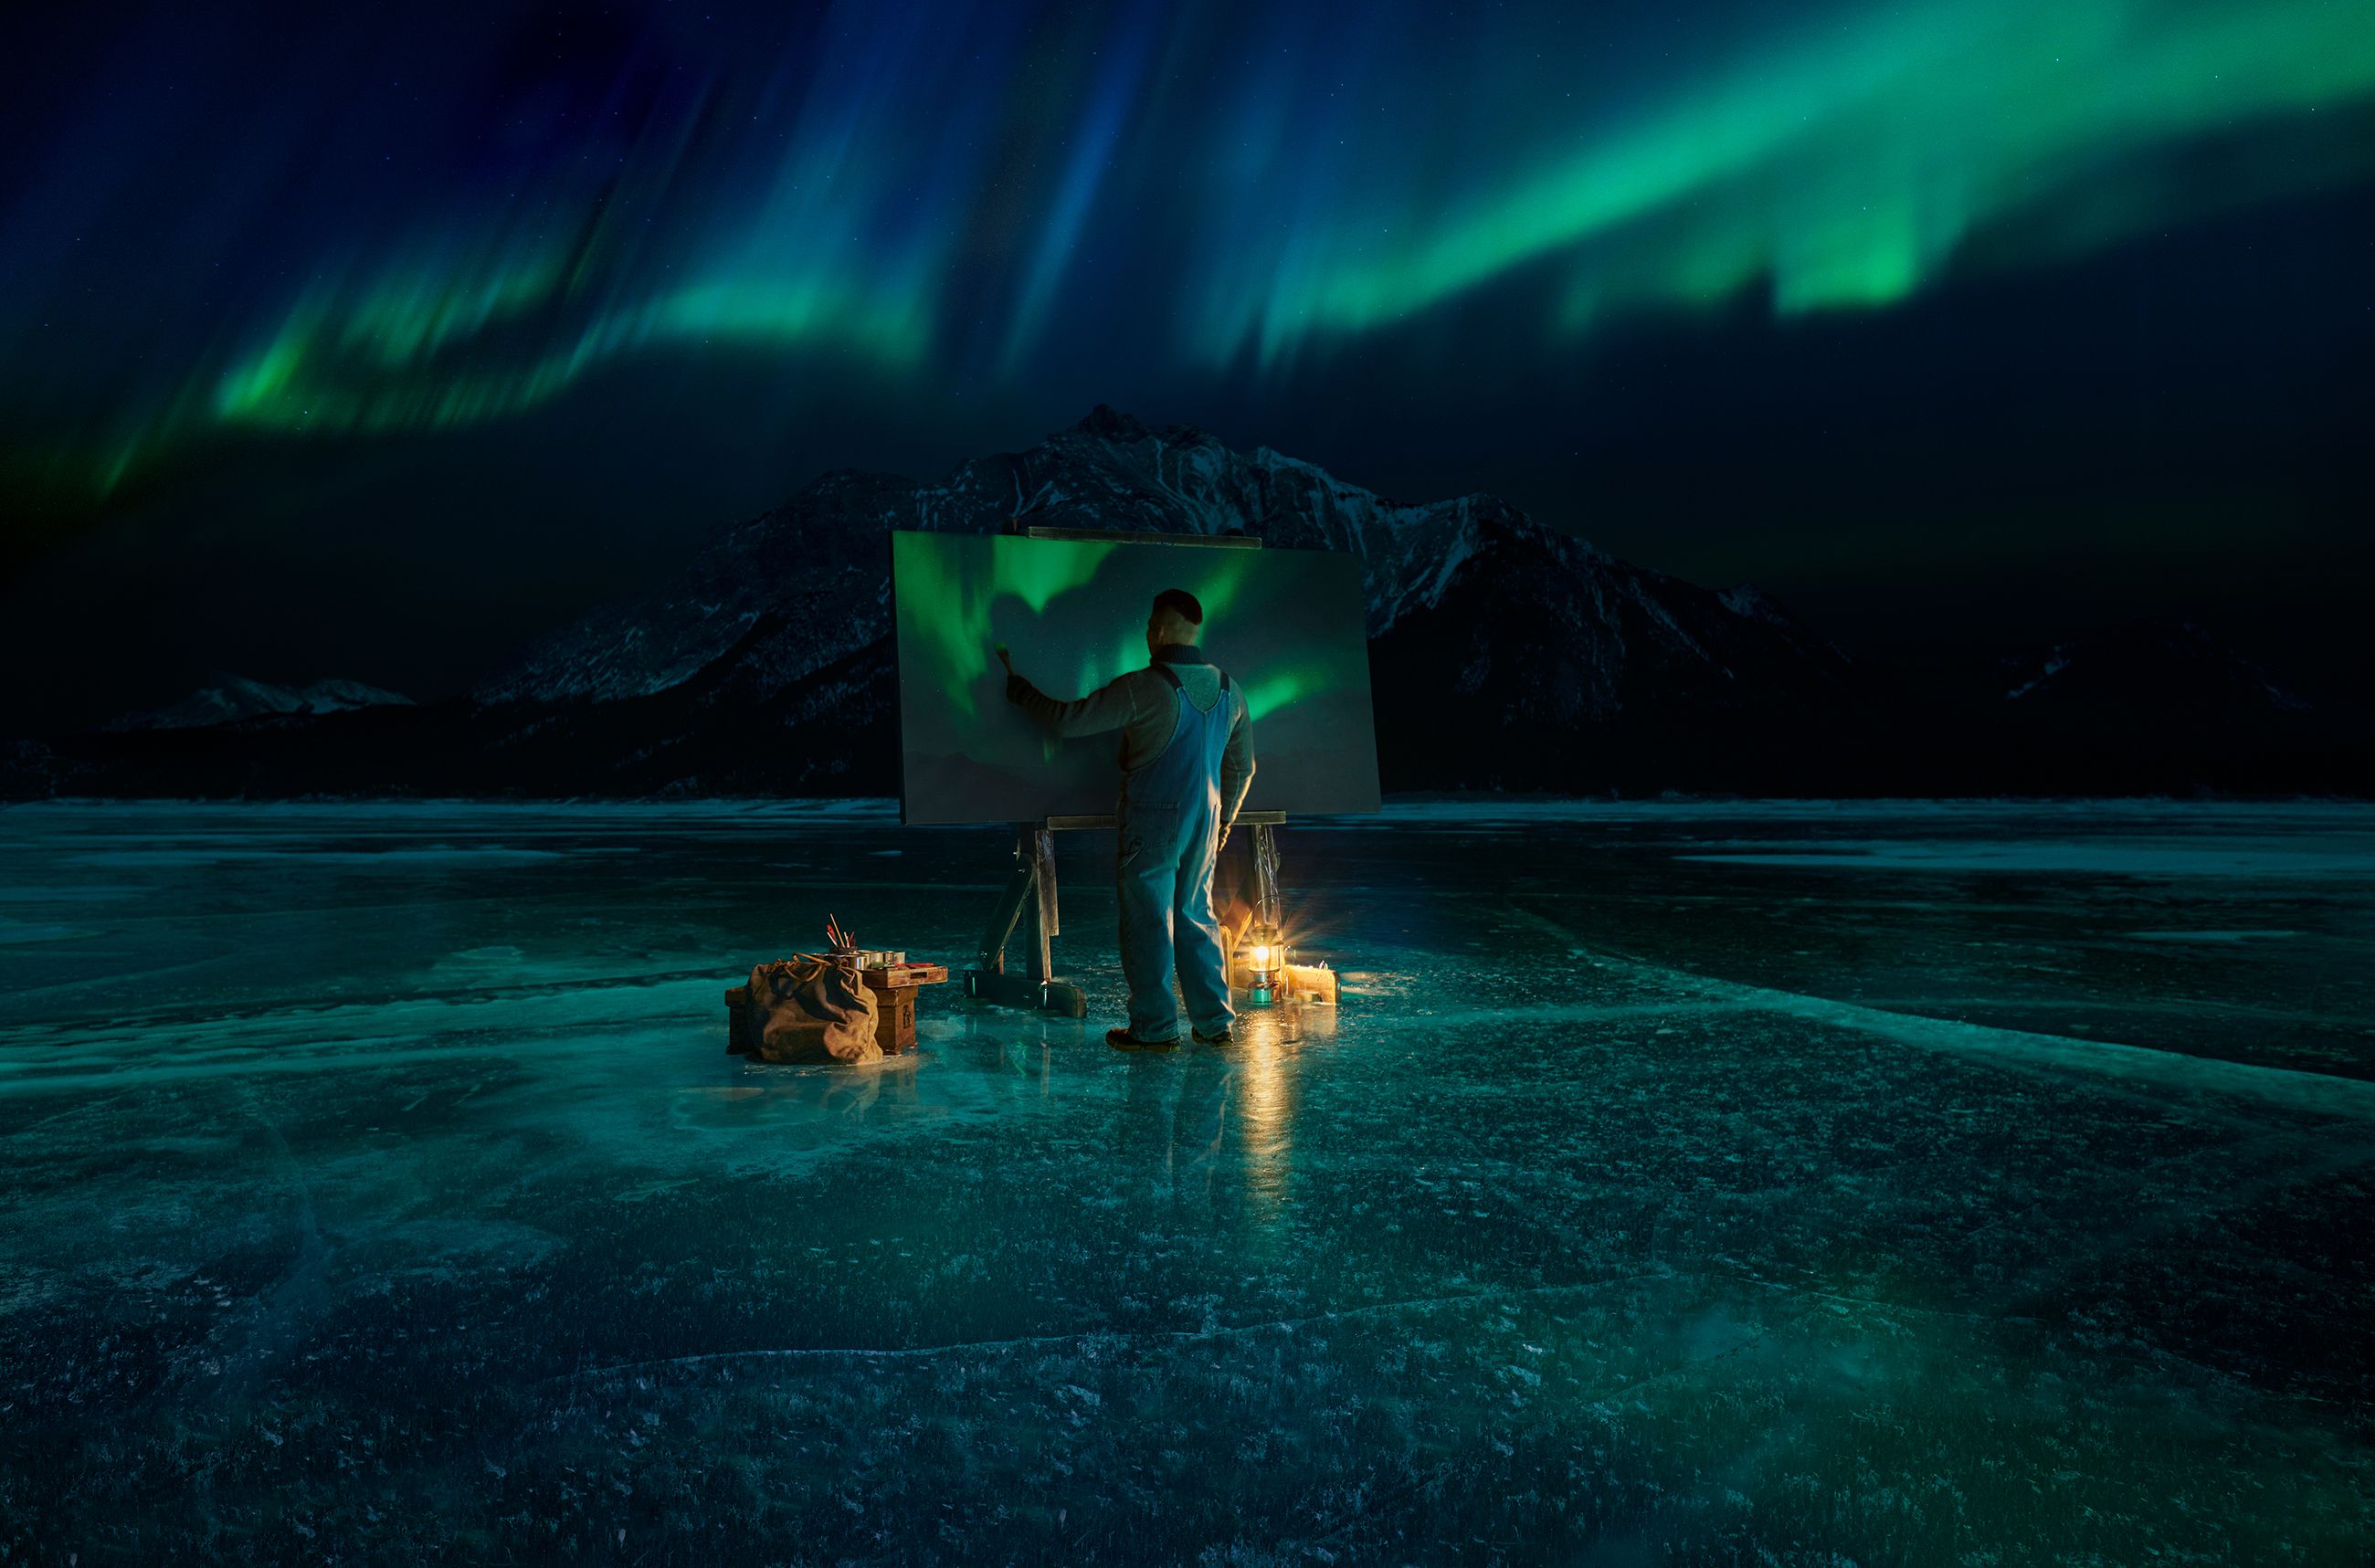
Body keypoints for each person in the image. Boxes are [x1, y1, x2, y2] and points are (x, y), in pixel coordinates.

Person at [998, 587, 1255, 1050]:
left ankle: (1155, 1030)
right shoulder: (1229, 689)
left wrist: (1022, 692)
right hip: (1207, 821)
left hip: (1155, 821)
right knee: (1196, 916)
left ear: (1157, 630)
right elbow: (1242, 767)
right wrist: (1226, 822)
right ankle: (1215, 1024)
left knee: (1149, 920)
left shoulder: (1143, 687)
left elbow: (1068, 721)